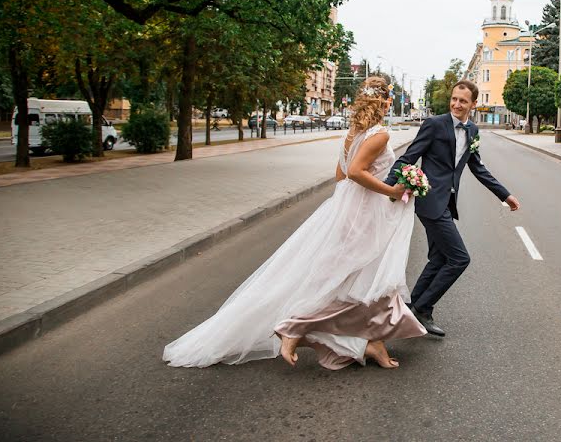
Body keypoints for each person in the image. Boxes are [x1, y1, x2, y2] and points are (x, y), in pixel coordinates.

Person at [163, 77, 425, 370]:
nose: (390, 102)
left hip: (348, 207)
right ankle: (296, 327)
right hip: (364, 214)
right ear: (382, 101)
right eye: (389, 97)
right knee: (353, 279)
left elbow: (340, 176)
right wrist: (390, 191)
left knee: (351, 278)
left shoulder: (352, 132)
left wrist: (347, 204)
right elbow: (354, 171)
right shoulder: (380, 135)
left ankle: (364, 341)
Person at [385, 80, 520, 337]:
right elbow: (408, 157)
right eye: (454, 99)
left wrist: (505, 194)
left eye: (463, 101)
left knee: (439, 258)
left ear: (473, 104)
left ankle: (413, 309)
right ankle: (422, 309)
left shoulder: (472, 131)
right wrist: (386, 189)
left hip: (446, 202)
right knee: (459, 259)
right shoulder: (434, 124)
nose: (457, 104)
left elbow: (477, 167)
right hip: (429, 202)